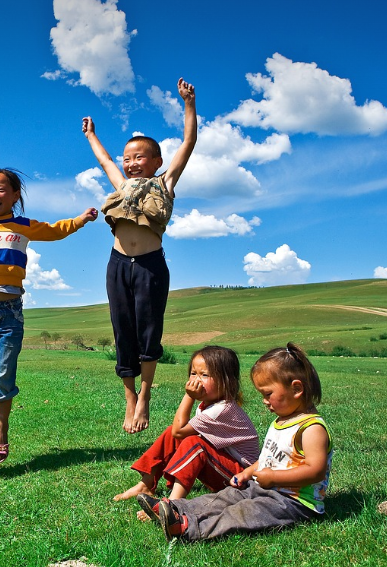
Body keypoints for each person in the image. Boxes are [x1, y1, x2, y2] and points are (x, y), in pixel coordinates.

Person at [0, 168, 98, 464]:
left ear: (16, 195)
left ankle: (1, 429)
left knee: (4, 373)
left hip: (12, 311)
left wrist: (80, 220)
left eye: (1, 189)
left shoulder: (23, 225)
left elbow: (55, 230)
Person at [82, 78, 197, 434]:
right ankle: (129, 396)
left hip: (150, 265)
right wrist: (90, 135)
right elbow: (103, 161)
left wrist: (188, 104)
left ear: (156, 161)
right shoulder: (121, 184)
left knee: (149, 332)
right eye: (127, 158)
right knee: (122, 332)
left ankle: (145, 395)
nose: (131, 163)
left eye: (139, 157)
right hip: (117, 265)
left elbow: (189, 142)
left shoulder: (165, 183)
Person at [148, 343, 332, 542]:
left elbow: (316, 471)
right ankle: (175, 509)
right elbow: (267, 459)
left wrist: (274, 478)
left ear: (296, 389)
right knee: (226, 497)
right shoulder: (281, 421)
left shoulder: (312, 429)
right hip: (264, 487)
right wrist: (247, 473)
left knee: (242, 512)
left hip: (293, 501)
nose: (264, 400)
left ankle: (189, 528)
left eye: (268, 394)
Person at [114, 346, 259, 521]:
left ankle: (172, 506)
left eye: (204, 375)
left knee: (193, 444)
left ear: (227, 381)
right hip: (227, 469)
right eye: (193, 373)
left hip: (242, 480)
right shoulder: (211, 404)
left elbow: (179, 428)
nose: (196, 380)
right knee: (175, 436)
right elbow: (175, 433)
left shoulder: (222, 409)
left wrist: (189, 396)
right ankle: (146, 484)